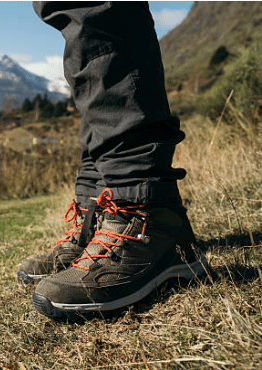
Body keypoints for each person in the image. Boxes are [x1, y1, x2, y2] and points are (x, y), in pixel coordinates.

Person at [18, 2, 208, 319]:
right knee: (72, 18)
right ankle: (100, 211)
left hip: (142, 198)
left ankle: (142, 212)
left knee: (91, 6)